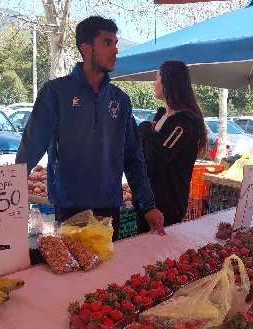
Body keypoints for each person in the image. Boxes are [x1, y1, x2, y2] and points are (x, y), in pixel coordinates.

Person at [15, 16, 165, 239]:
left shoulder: (121, 100)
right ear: (85, 48)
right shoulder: (56, 92)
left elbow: (134, 158)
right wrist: (7, 191)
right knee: (71, 274)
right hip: (68, 210)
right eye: (107, 43)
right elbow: (31, 145)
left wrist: (148, 205)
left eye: (115, 43)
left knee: (107, 273)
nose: (115, 50)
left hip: (109, 212)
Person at [134, 60, 207, 234]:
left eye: (157, 77)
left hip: (166, 207)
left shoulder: (185, 122)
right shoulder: (163, 116)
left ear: (169, 81)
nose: (154, 82)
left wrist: (143, 129)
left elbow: (157, 157)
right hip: (147, 202)